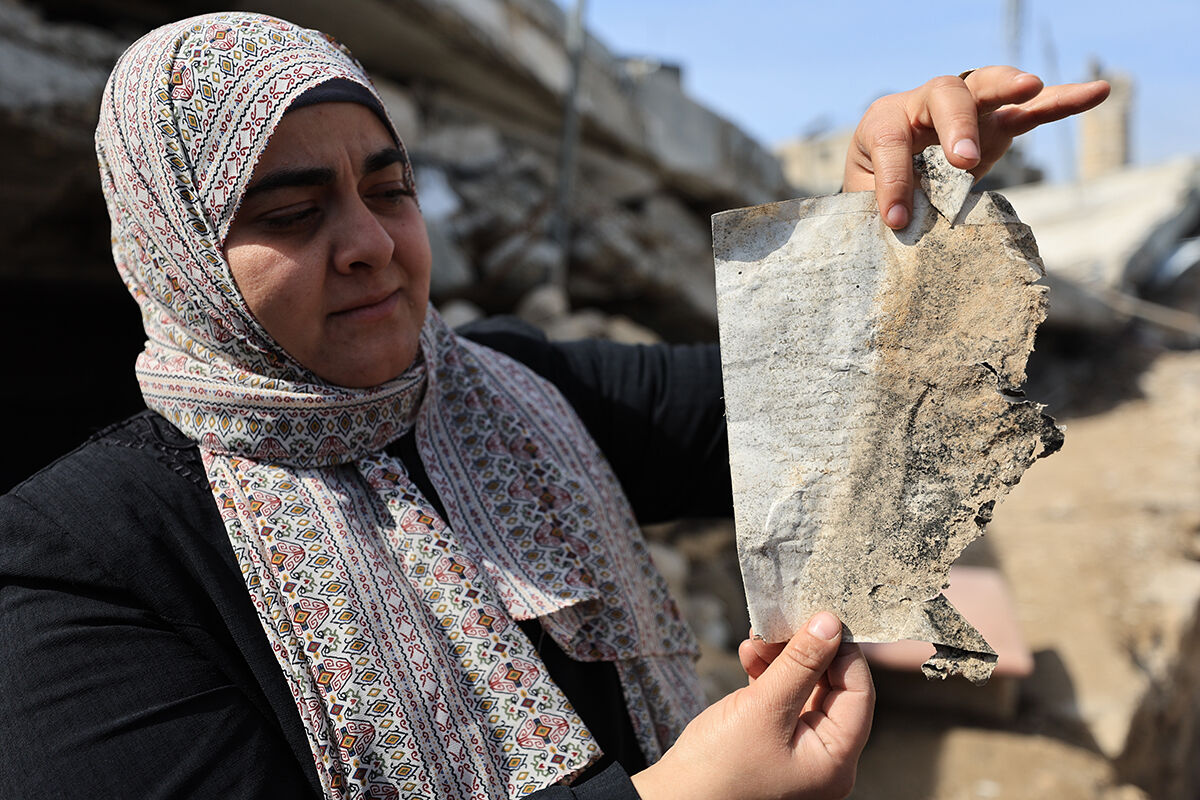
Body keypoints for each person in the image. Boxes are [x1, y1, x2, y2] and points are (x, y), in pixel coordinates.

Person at [0, 11, 1107, 800]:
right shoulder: (75, 567)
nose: (372, 245)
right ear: (175, 254)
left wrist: (884, 218)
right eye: (292, 212)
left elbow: (800, 411)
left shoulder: (508, 391)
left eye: (389, 189)